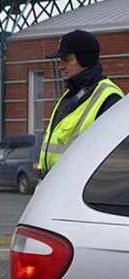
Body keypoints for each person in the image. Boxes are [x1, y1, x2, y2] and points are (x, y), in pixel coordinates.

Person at [40, 29, 124, 177]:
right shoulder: (69, 95)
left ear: (84, 58)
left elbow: (114, 159)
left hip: (75, 192)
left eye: (67, 60)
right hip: (53, 190)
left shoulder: (109, 97)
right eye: (60, 61)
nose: (61, 66)